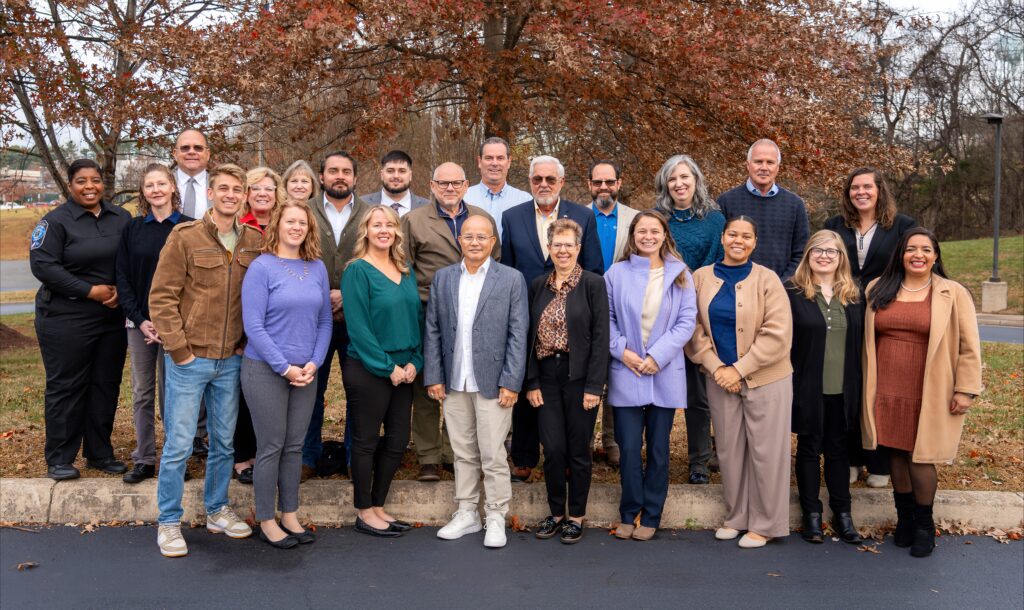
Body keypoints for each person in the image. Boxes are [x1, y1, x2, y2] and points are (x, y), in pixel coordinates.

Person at [150, 163, 263, 557]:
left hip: (230, 359)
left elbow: (260, 297)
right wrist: (179, 349)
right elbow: (162, 296)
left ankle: (217, 509)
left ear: (245, 195)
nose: (231, 195)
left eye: (238, 189)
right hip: (189, 359)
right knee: (179, 444)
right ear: (211, 193)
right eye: (224, 189)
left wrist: (245, 342)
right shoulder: (185, 237)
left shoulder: (254, 240)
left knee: (224, 444)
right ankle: (168, 521)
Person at [862, 227, 981, 558]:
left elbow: (969, 346)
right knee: (896, 453)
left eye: (926, 250)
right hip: (885, 384)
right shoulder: (878, 288)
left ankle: (925, 526)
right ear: (900, 254)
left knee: (921, 455)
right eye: (911, 249)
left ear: (935, 256)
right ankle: (905, 521)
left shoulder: (952, 293)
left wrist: (966, 390)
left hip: (930, 386)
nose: (918, 255)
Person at [685, 216, 793, 549]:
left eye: (746, 236)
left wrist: (739, 369)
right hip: (719, 378)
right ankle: (737, 517)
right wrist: (718, 368)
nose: (739, 240)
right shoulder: (700, 278)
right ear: (722, 237)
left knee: (766, 452)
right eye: (733, 234)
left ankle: (766, 524)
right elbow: (693, 329)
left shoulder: (768, 279)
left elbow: (778, 334)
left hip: (766, 378)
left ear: (754, 242)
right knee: (731, 451)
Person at [423, 214, 529, 548]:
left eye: (482, 237)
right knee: (462, 451)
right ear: (460, 240)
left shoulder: (511, 279)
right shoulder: (443, 279)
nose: (474, 242)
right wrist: (435, 375)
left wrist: (511, 381)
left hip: (493, 381)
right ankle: (467, 512)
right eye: (469, 236)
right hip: (455, 380)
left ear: (493, 241)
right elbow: (434, 330)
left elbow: (518, 333)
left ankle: (496, 515)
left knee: (492, 452)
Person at [501, 155, 604, 482]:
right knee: (528, 383)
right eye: (537, 179)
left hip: (571, 315)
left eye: (550, 179)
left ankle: (570, 458)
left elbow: (594, 265)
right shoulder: (512, 216)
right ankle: (525, 455)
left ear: (561, 182)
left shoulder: (583, 216)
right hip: (527, 310)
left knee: (568, 398)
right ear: (529, 182)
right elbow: (508, 267)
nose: (543, 184)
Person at [30, 158, 132, 481]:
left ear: (104, 184)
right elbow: (44, 266)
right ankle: (60, 457)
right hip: (65, 316)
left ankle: (99, 452)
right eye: (81, 181)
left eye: (96, 180)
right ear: (70, 185)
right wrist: (91, 291)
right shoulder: (56, 222)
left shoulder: (122, 217)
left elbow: (130, 257)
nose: (90, 186)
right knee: (67, 387)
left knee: (105, 385)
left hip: (111, 317)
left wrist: (120, 291)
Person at [241, 200, 333, 548]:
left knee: (295, 446)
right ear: (277, 225)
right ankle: (266, 519)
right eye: (290, 221)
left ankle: (290, 513)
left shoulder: (318, 268)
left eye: (303, 223)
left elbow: (324, 320)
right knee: (271, 446)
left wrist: (314, 362)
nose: (296, 227)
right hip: (266, 370)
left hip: (306, 373)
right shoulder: (262, 267)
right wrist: (285, 368)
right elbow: (253, 325)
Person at [402, 162, 500, 481]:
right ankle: (429, 456)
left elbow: (494, 264)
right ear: (431, 185)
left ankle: (451, 451)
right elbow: (403, 269)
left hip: (473, 314)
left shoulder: (480, 221)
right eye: (442, 183)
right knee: (429, 384)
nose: (449, 189)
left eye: (456, 183)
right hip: (428, 310)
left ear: (466, 185)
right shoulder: (414, 221)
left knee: (461, 382)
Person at [605, 211, 697, 541]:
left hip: (664, 371)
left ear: (664, 235)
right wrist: (623, 352)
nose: (647, 236)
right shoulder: (616, 273)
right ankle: (629, 513)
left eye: (654, 231)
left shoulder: (681, 274)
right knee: (629, 448)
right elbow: (608, 320)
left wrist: (657, 356)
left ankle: (652, 514)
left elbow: (686, 322)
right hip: (627, 369)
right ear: (633, 235)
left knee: (659, 449)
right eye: (641, 231)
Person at [825, 167, 917, 488]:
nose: (860, 192)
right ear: (848, 193)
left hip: (885, 313)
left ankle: (879, 460)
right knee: (848, 385)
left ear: (880, 190)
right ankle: (851, 457)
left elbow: (914, 262)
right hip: (843, 315)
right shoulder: (835, 226)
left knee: (879, 387)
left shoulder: (903, 226)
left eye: (867, 186)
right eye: (854, 187)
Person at [523, 218, 609, 544]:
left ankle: (576, 515)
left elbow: (601, 337)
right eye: (556, 244)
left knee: (578, 450)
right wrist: (530, 382)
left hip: (579, 378)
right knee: (554, 449)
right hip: (545, 377)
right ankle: (556, 512)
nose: (562, 249)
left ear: (578, 248)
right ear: (549, 248)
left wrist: (594, 386)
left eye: (568, 244)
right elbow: (529, 337)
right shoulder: (538, 285)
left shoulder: (592, 284)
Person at [341, 205, 422, 538]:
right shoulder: (357, 271)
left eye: (390, 224)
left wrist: (415, 361)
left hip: (405, 369)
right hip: (369, 368)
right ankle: (363, 511)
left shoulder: (405, 269)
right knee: (366, 441)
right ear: (366, 230)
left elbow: (415, 319)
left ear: (397, 231)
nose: (384, 230)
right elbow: (358, 329)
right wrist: (387, 367)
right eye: (377, 225)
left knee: (398, 440)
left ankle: (378, 506)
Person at [116, 163, 194, 484]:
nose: (156, 190)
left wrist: (169, 322)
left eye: (162, 183)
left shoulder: (190, 227)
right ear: (143, 192)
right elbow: (122, 278)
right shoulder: (133, 229)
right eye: (150, 185)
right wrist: (141, 319)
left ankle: (176, 460)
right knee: (143, 393)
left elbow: (194, 282)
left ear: (173, 187)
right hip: (140, 325)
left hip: (177, 326)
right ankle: (145, 458)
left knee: (175, 395)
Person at [786, 230, 864, 545]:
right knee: (808, 449)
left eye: (831, 251)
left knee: (838, 451)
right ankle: (811, 515)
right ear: (808, 255)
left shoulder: (855, 296)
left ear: (841, 258)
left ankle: (843, 515)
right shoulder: (792, 292)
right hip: (807, 385)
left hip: (843, 388)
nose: (824, 256)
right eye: (817, 250)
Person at [653, 154, 725, 485]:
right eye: (672, 178)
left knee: (698, 395)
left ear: (696, 179)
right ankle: (656, 460)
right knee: (659, 391)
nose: (679, 183)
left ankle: (699, 461)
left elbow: (716, 263)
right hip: (661, 313)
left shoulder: (714, 220)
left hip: (700, 313)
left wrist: (692, 292)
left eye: (685, 177)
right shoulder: (658, 219)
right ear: (665, 185)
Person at [302, 151, 370, 481]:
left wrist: (347, 292)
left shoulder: (371, 214)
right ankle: (307, 456)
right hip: (313, 318)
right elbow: (295, 258)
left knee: (359, 391)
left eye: (346, 171)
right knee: (310, 390)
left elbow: (378, 261)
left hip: (359, 318)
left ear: (355, 178)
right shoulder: (304, 212)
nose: (339, 176)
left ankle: (353, 458)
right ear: (322, 177)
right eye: (333, 171)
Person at [232, 166, 286, 484]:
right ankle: (242, 457)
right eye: (256, 189)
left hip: (278, 322)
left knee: (271, 397)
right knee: (244, 394)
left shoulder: (284, 226)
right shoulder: (239, 228)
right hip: (243, 319)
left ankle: (267, 456)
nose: (263, 193)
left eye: (269, 188)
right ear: (247, 195)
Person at [585, 159, 639, 467]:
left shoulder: (634, 218)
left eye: (609, 181)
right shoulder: (578, 215)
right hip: (586, 302)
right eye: (598, 182)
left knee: (618, 372)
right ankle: (586, 440)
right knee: (589, 370)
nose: (603, 187)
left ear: (619, 183)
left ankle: (612, 440)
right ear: (590, 184)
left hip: (622, 304)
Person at [172, 128, 212, 458]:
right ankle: (180, 443)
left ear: (208, 154)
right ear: (175, 153)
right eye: (185, 147)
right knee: (177, 375)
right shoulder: (162, 186)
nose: (191, 152)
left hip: (212, 290)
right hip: (176, 287)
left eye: (198, 147)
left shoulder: (218, 189)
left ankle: (205, 436)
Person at [717, 139, 809, 279]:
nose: (764, 167)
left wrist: (781, 284)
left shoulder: (795, 205)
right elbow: (719, 248)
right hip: (735, 287)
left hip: (782, 290)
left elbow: (801, 253)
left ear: (778, 167)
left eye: (770, 162)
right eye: (758, 162)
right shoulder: (726, 201)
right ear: (748, 165)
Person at [463, 136, 532, 238]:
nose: (494, 163)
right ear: (479, 161)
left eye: (500, 158)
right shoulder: (464, 198)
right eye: (489, 158)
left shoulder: (524, 200)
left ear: (508, 162)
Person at [361, 150, 430, 216]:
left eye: (402, 171)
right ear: (382, 175)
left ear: (410, 175)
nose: (396, 176)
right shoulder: (361, 204)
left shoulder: (428, 207)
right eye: (390, 171)